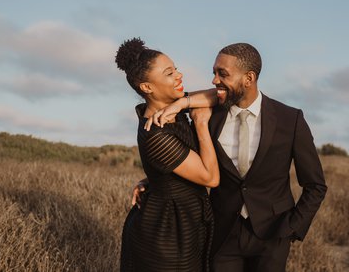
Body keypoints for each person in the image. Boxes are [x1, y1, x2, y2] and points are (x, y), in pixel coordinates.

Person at [137, 42, 327, 272]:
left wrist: (293, 228)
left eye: (222, 74)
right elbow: (189, 157)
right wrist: (154, 179)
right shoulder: (209, 116)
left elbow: (315, 185)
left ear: (249, 78)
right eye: (214, 72)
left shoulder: (291, 119)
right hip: (223, 232)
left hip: (273, 235)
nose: (214, 80)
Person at [115, 37, 220, 272]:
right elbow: (210, 178)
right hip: (167, 233)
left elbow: (220, 94)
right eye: (169, 73)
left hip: (187, 223)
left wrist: (183, 104)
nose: (179, 76)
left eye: (176, 69)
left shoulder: (173, 106)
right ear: (147, 87)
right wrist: (201, 124)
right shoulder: (155, 133)